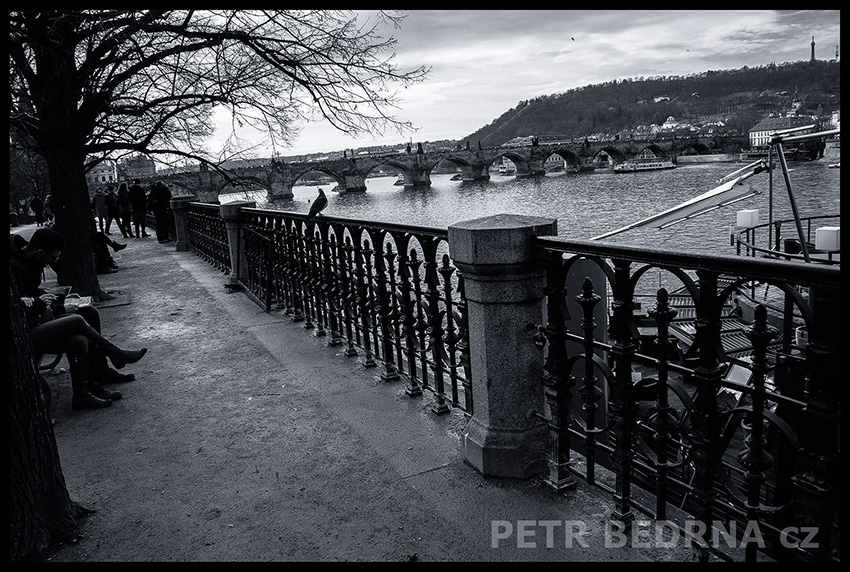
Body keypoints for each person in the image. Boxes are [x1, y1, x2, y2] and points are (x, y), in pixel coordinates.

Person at [11, 228, 147, 410]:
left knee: (82, 328)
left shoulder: (30, 261)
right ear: (40, 252)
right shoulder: (14, 269)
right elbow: (20, 309)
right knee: (76, 320)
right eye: (53, 259)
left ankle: (86, 391)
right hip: (23, 333)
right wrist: (57, 307)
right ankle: (116, 354)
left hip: (37, 321)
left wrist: (53, 299)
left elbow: (32, 296)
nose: (52, 264)